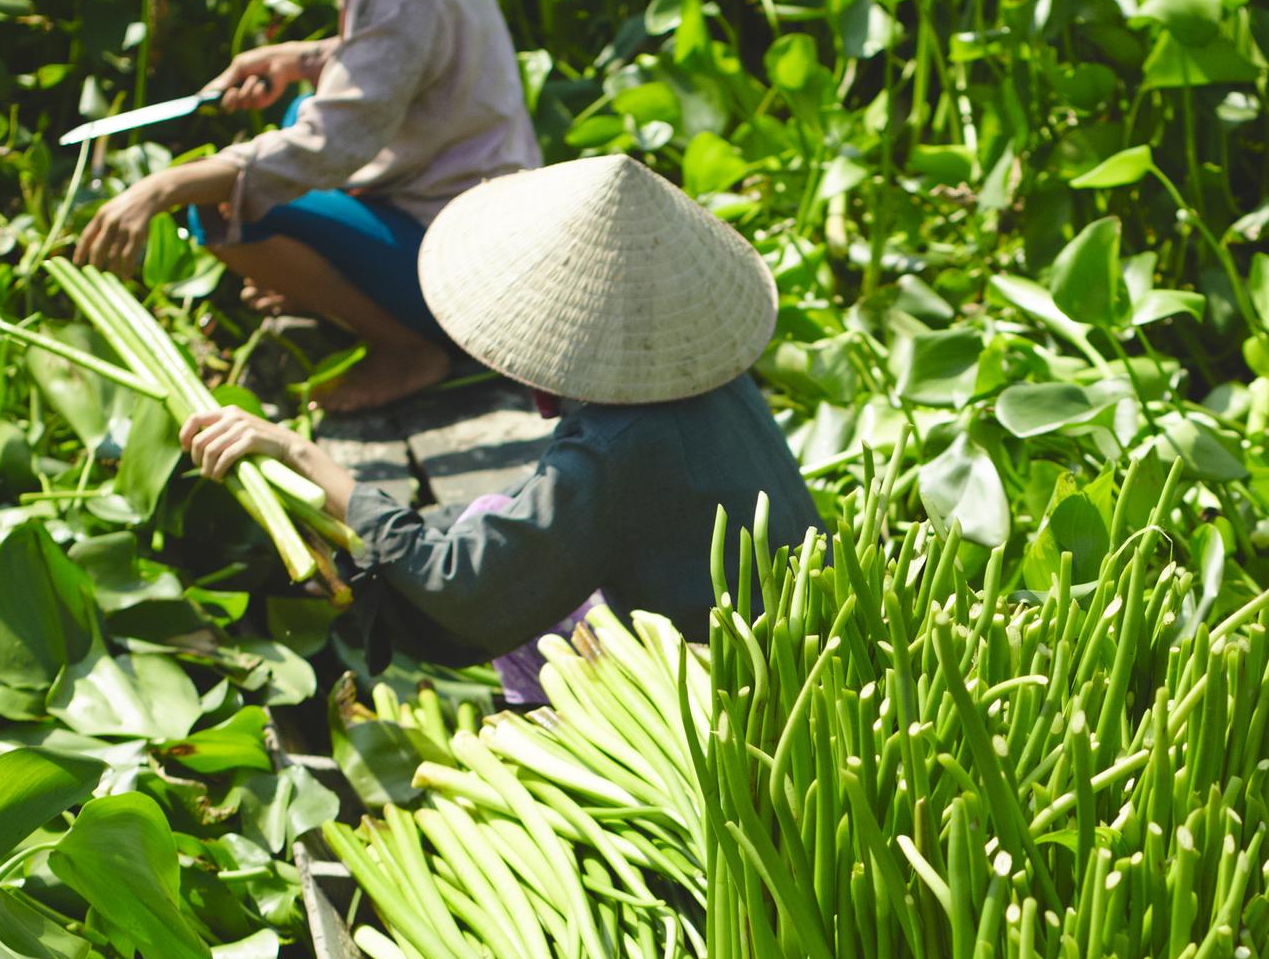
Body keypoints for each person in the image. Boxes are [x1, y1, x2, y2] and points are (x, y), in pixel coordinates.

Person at [178, 156, 823, 688]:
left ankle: (547, 727)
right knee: (489, 507)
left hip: (737, 670)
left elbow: (467, 589)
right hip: (795, 614)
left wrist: (303, 457)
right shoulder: (694, 360)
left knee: (508, 583)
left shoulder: (614, 446)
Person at [75, 0, 541, 412]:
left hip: (462, 252)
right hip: (459, 203)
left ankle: (409, 350)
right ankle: (330, 288)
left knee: (219, 206)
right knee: (295, 114)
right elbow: (400, 61)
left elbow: (335, 142)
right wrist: (301, 60)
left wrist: (161, 186)